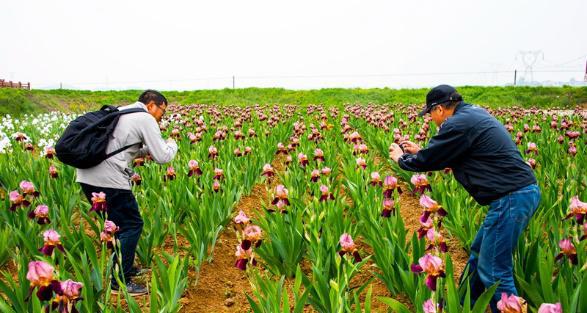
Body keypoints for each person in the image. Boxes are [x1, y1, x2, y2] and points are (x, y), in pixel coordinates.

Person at [389, 85, 540, 312]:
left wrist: (402, 160)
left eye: (430, 114)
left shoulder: (456, 124)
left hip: (511, 198)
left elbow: (430, 160)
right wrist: (421, 151)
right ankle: (463, 306)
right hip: (517, 194)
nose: (430, 119)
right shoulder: (473, 114)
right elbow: (454, 155)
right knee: (478, 256)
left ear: (439, 109)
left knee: (494, 270)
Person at [77, 90, 178, 295]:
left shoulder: (121, 112)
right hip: (109, 178)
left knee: (117, 226)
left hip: (87, 176)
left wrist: (143, 152)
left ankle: (124, 267)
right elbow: (163, 157)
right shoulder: (145, 118)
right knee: (132, 224)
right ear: (151, 105)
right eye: (162, 111)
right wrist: (172, 144)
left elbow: (121, 148)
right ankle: (119, 281)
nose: (161, 117)